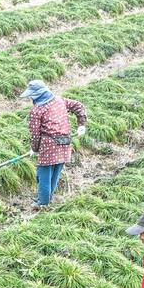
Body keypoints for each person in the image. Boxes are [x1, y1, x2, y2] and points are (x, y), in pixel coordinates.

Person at [19, 79, 87, 208]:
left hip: (49, 145)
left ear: (37, 95)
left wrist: (34, 148)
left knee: (43, 174)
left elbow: (35, 134)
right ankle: (46, 198)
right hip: (65, 141)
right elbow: (78, 106)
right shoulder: (60, 101)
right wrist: (81, 124)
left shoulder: (37, 111)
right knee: (55, 172)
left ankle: (42, 204)